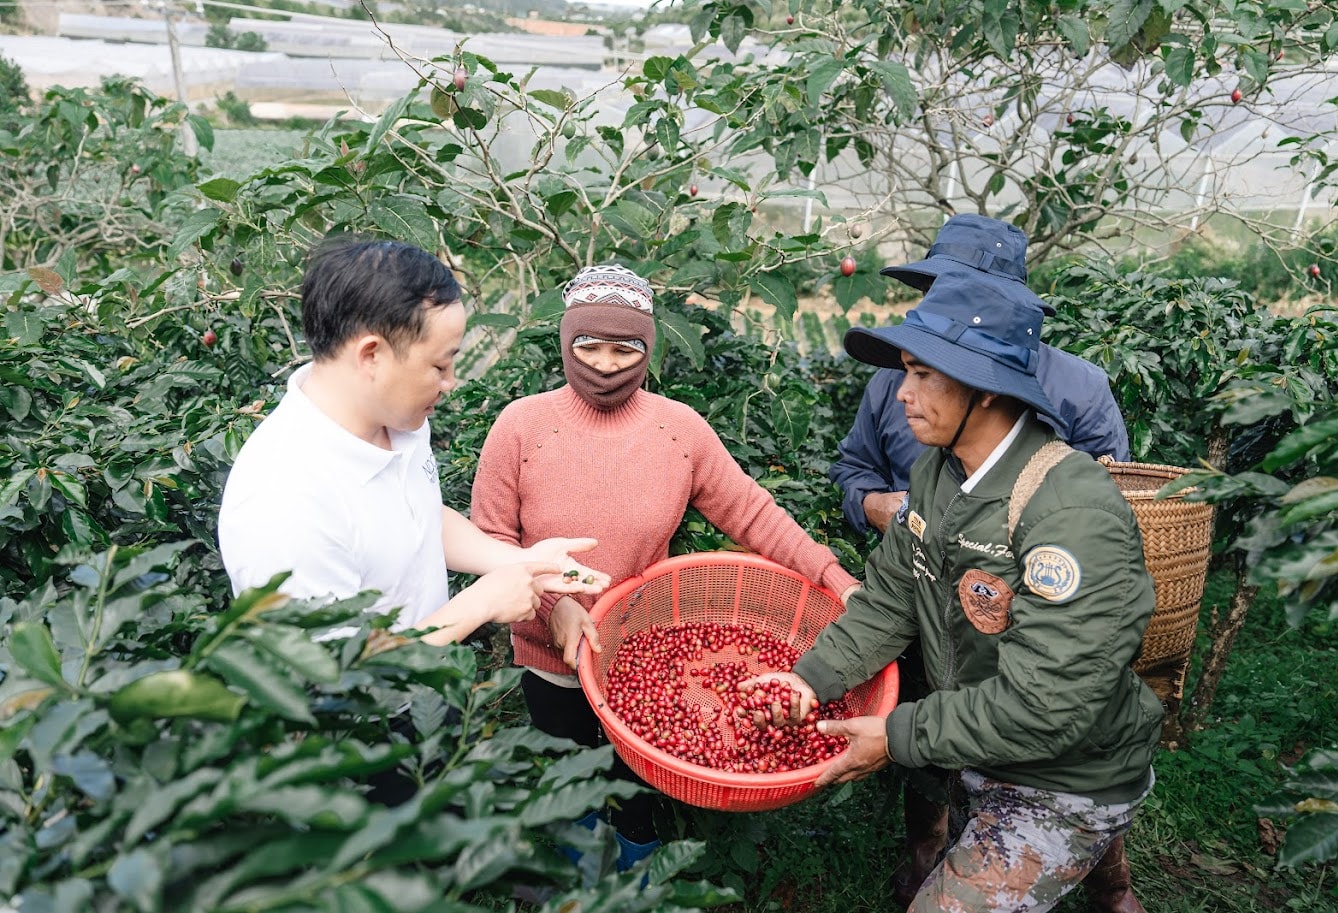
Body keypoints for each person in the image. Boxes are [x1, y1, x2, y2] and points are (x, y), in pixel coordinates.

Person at [744, 268, 1163, 913]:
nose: (900, 393)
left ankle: (1097, 858)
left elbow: (1049, 705)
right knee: (1102, 882)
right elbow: (890, 596)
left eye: (922, 374)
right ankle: (1115, 893)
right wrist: (810, 678)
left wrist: (897, 735)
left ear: (987, 390)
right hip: (986, 741)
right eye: (904, 370)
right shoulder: (939, 471)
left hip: (1062, 773)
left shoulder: (1068, 513)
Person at [470, 263, 861, 869]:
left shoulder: (678, 430)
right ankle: (579, 867)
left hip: (637, 645)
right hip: (550, 658)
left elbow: (754, 513)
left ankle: (638, 862)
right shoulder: (521, 427)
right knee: (569, 771)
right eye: (589, 346)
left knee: (639, 781)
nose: (605, 363)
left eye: (624, 348)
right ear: (565, 343)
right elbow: (491, 539)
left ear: (648, 348)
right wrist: (555, 607)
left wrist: (833, 576)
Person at [218, 237, 608, 649]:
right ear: (371, 355)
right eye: (439, 365)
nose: (450, 382)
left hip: (431, 681)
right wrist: (477, 605)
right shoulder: (284, 506)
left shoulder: (395, 417)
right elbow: (333, 676)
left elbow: (419, 517)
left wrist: (520, 561)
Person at [831, 214, 1130, 537]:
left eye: (960, 292)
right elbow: (855, 465)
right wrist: (871, 503)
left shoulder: (1081, 388)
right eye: (934, 289)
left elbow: (1109, 504)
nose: (941, 303)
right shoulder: (895, 378)